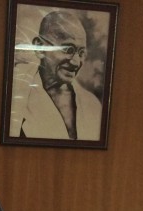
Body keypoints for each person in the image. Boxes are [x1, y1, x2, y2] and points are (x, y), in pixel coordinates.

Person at [9, 11, 102, 140]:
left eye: (81, 53)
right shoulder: (16, 97)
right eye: (68, 49)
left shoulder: (92, 105)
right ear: (40, 47)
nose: (76, 62)